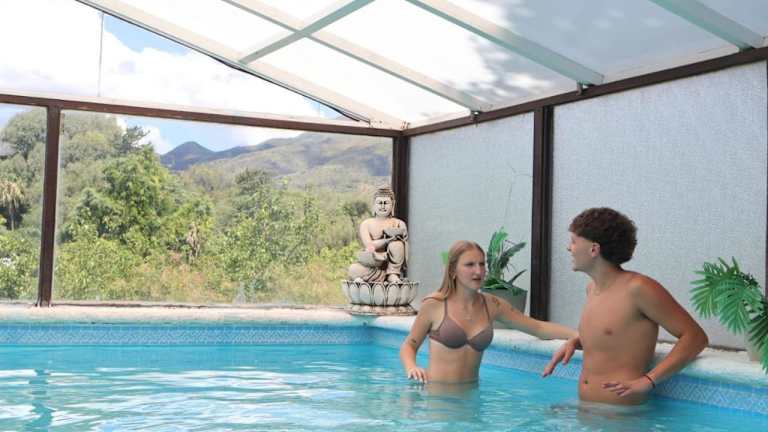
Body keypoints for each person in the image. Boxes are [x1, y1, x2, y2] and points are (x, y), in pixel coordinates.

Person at [542, 207, 708, 405]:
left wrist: (649, 380)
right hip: (587, 409)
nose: (569, 248)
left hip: (622, 414)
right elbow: (614, 336)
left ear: (594, 249)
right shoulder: (591, 289)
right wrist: (576, 342)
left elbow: (695, 337)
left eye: (574, 242)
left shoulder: (638, 288)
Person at [400, 240, 577, 383]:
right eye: (470, 265)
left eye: (482, 264)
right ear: (453, 270)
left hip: (473, 398)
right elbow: (409, 345)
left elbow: (538, 328)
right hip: (439, 400)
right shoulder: (435, 304)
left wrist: (579, 336)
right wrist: (412, 367)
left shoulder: (492, 304)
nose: (478, 271)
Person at [348, 185, 408, 284]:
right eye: (380, 203)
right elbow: (369, 246)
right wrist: (386, 241)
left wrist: (401, 237)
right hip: (373, 264)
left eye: (386, 203)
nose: (382, 206)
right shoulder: (366, 224)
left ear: (392, 205)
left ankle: (392, 274)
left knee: (398, 244)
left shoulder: (398, 223)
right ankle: (381, 276)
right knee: (353, 269)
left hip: (391, 264)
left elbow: (404, 248)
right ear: (374, 205)